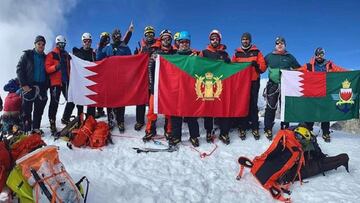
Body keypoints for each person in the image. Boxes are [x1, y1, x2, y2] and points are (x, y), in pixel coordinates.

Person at [296, 47, 346, 142]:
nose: (319, 56)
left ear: (324, 55)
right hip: (313, 92)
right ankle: (308, 129)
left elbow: (340, 70)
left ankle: (326, 132)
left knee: (325, 112)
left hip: (325, 92)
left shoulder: (330, 65)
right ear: (315, 55)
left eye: (321, 54)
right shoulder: (309, 66)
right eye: (317, 54)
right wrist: (288, 72)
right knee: (311, 111)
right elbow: (299, 71)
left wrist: (353, 73)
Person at [280, 125, 349, 183]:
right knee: (318, 164)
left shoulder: (288, 137)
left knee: (315, 166)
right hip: (307, 160)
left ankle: (343, 159)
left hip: (306, 163)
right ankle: (344, 159)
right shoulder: (300, 136)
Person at [264, 36, 300, 140]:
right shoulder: (269, 57)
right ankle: (268, 128)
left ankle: (285, 128)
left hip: (286, 86)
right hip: (272, 85)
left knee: (285, 107)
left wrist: (308, 71)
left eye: (282, 43)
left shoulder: (290, 57)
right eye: (277, 43)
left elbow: (298, 68)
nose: (280, 45)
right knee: (271, 107)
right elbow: (261, 67)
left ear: (285, 45)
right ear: (275, 45)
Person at [168, 31, 201, 147]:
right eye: (182, 42)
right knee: (175, 114)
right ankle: (176, 136)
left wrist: (197, 59)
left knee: (192, 114)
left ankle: (194, 136)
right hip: (176, 89)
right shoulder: (174, 57)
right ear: (178, 43)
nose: (184, 44)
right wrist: (157, 58)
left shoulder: (195, 56)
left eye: (187, 42)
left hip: (191, 89)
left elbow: (201, 69)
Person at [199, 29, 232, 144]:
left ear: (219, 40)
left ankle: (224, 133)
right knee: (208, 109)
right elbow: (198, 65)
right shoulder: (204, 52)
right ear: (210, 40)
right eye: (212, 38)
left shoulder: (225, 54)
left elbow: (231, 70)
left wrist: (229, 62)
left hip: (222, 85)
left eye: (216, 38)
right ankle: (209, 131)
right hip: (208, 84)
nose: (214, 40)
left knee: (223, 108)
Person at [232, 32, 266, 140]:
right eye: (243, 39)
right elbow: (231, 68)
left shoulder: (256, 52)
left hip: (253, 81)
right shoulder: (237, 53)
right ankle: (242, 127)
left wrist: (257, 66)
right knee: (242, 104)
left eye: (247, 39)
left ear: (250, 41)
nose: (245, 41)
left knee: (253, 104)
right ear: (241, 41)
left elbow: (263, 67)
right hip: (241, 82)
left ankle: (255, 127)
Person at [142, 29, 175, 142]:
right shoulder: (155, 53)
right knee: (152, 109)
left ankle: (169, 129)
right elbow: (150, 69)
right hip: (156, 86)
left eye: (168, 38)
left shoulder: (174, 54)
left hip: (169, 88)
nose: (166, 40)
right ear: (161, 39)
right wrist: (151, 85)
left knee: (169, 110)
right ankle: (150, 129)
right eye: (164, 38)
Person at [61, 32, 97, 124]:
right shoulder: (77, 53)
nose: (87, 43)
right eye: (85, 41)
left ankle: (90, 119)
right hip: (79, 81)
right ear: (82, 42)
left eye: (89, 41)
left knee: (91, 101)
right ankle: (75, 119)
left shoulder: (93, 54)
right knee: (77, 100)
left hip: (90, 81)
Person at [16, 35, 49, 133]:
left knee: (39, 110)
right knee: (27, 110)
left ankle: (36, 129)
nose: (41, 46)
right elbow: (19, 69)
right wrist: (23, 84)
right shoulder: (28, 55)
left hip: (42, 87)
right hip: (29, 86)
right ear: (35, 44)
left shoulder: (46, 57)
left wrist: (47, 86)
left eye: (43, 44)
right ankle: (26, 129)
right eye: (39, 44)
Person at [102, 28, 132, 133]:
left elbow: (131, 61)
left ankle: (120, 121)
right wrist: (100, 47)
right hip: (109, 77)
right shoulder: (108, 47)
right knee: (110, 99)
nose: (117, 37)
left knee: (121, 100)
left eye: (119, 35)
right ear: (112, 37)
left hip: (121, 77)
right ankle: (110, 120)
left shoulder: (125, 48)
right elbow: (99, 57)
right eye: (115, 36)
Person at [134, 26, 161, 132]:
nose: (149, 36)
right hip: (143, 78)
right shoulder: (142, 46)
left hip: (155, 77)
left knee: (152, 101)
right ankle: (139, 121)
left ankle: (152, 121)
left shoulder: (158, 46)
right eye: (147, 34)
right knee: (140, 100)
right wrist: (136, 55)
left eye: (151, 34)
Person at [45, 35, 71, 135]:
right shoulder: (51, 54)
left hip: (66, 82)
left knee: (71, 100)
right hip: (55, 83)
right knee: (54, 104)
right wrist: (56, 67)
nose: (62, 46)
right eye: (60, 44)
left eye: (63, 44)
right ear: (57, 43)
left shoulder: (67, 55)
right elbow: (47, 68)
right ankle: (52, 122)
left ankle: (65, 118)